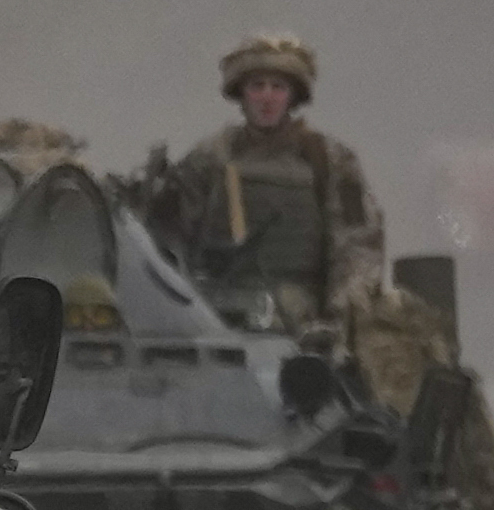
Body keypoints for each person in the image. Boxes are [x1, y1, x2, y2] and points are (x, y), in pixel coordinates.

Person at [144, 31, 384, 335]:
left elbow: (358, 245)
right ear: (242, 94)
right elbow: (165, 244)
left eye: (278, 87)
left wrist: (340, 318)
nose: (267, 98)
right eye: (257, 86)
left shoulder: (330, 161)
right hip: (215, 316)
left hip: (304, 320)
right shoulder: (209, 159)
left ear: (293, 95)